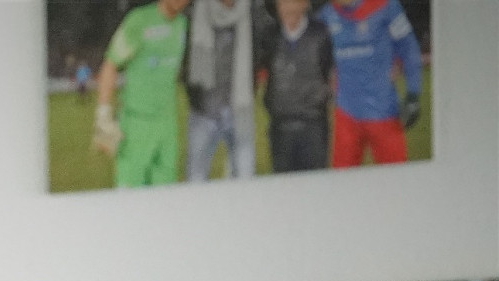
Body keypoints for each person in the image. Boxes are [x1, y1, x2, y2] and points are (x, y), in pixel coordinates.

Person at [94, 0, 191, 188]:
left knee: (166, 196)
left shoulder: (182, 24)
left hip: (167, 124)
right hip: (137, 124)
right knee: (131, 196)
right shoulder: (139, 20)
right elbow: (110, 64)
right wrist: (103, 113)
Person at [322, 0, 424, 169]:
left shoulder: (386, 6)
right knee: (342, 181)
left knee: (396, 179)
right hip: (346, 114)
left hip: (384, 112)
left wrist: (413, 93)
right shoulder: (326, 15)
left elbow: (408, 47)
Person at [182, 0, 264, 181]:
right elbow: (184, 59)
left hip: (239, 110)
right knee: (195, 176)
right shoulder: (195, 13)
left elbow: (260, 51)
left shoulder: (251, 12)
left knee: (245, 177)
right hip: (204, 111)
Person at [264, 0, 335, 173]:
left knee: (315, 182)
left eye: (293, 2)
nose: (288, 8)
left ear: (304, 4)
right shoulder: (270, 36)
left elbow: (330, 71)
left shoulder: (320, 33)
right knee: (283, 183)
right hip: (280, 126)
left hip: (313, 124)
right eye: (282, 3)